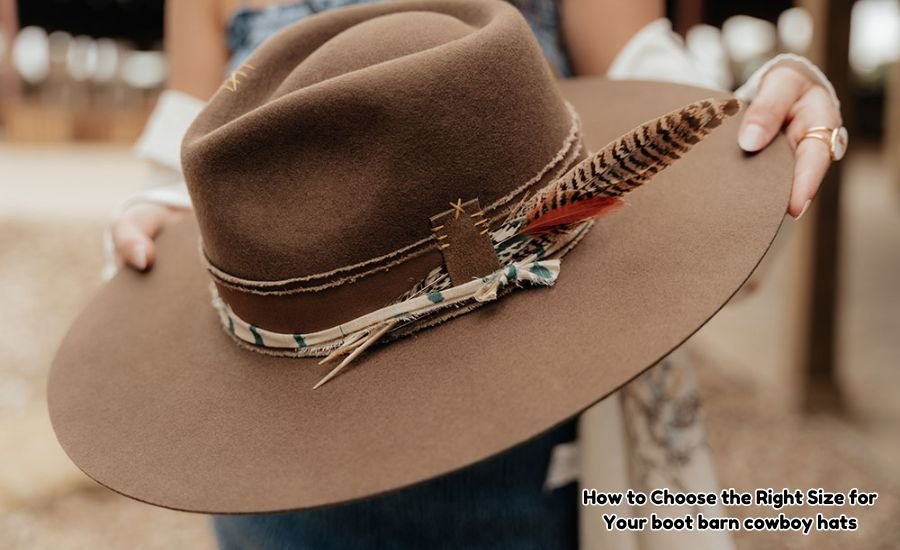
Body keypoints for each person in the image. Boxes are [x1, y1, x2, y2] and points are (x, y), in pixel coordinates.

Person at [106, 1, 844, 548]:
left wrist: (766, 120)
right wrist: (161, 219)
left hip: (530, 460)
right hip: (273, 460)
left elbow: (676, 111)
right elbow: (184, 156)